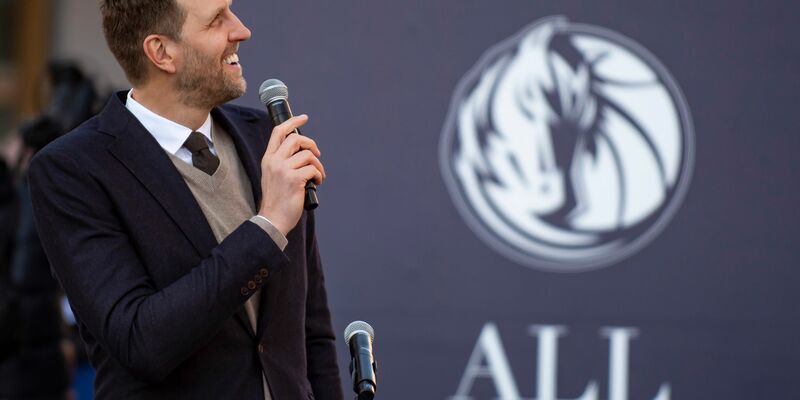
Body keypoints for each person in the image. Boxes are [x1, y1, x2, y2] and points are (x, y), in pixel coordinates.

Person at [27, 0, 343, 399]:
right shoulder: (72, 171)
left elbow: (311, 331)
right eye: (216, 20)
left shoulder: (267, 139)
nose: (241, 30)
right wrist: (268, 226)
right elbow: (140, 341)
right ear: (161, 52)